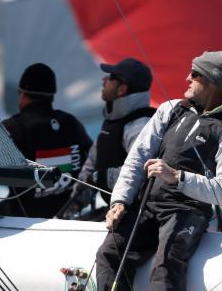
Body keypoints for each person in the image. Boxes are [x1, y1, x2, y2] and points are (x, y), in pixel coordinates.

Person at [86, 51, 222, 291]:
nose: (187, 79)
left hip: (188, 210)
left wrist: (177, 177)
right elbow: (136, 160)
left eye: (194, 74)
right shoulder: (169, 110)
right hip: (147, 204)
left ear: (212, 83)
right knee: (109, 252)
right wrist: (120, 200)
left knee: (166, 261)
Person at [61, 58, 155, 219]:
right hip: (115, 211)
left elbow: (144, 172)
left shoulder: (140, 126)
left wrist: (101, 177)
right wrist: (69, 210)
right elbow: (90, 167)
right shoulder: (113, 123)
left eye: (111, 77)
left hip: (138, 216)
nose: (104, 80)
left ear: (122, 89)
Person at [0, 63, 92, 218]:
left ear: (22, 95)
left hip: (22, 221)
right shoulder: (71, 122)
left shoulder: (12, 128)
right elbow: (93, 161)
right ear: (52, 96)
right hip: (67, 215)